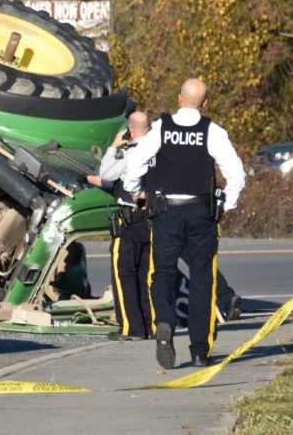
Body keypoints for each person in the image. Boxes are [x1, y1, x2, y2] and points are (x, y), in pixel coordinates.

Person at [120, 78, 246, 369]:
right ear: (205, 104)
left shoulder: (162, 128)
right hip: (202, 213)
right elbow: (236, 175)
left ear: (179, 99)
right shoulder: (212, 131)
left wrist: (135, 191)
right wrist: (225, 204)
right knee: (203, 281)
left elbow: (136, 163)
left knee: (162, 275)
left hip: (166, 213)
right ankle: (200, 352)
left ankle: (165, 322)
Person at [98, 111, 152, 341]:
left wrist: (114, 146)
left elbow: (107, 173)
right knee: (147, 275)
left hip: (130, 220)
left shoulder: (131, 152)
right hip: (154, 218)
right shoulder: (160, 150)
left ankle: (132, 328)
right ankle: (151, 326)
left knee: (124, 274)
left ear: (130, 130)